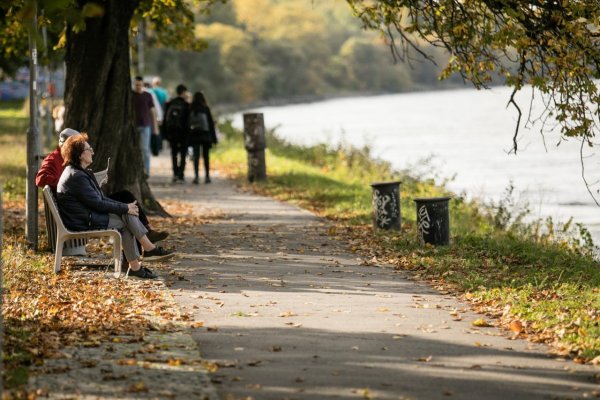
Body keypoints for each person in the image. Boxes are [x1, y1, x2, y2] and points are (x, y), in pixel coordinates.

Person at [56, 134, 173, 279]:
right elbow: (98, 203)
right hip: (82, 221)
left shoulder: (79, 173)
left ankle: (141, 260)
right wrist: (125, 208)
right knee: (126, 220)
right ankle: (145, 253)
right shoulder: (77, 176)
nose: (92, 152)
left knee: (127, 214)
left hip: (86, 216)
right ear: (80, 155)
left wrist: (126, 206)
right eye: (88, 149)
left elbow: (100, 199)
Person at [36, 128, 169, 244]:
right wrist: (70, 184)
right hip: (79, 208)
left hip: (82, 200)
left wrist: (88, 183)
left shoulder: (74, 166)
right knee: (126, 214)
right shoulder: (54, 160)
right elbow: (40, 179)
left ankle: (146, 233)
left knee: (125, 197)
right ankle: (142, 249)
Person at [188, 91, 218, 184]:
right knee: (206, 156)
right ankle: (207, 176)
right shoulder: (205, 108)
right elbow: (211, 124)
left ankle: (196, 176)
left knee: (196, 156)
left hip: (195, 135)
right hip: (205, 135)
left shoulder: (191, 108)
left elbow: (187, 124)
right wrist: (214, 138)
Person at [132, 76, 159, 177]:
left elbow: (152, 111)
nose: (138, 87)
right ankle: (135, 170)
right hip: (133, 127)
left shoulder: (148, 95)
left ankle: (146, 171)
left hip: (145, 126)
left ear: (143, 84)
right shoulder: (131, 95)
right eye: (136, 85)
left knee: (145, 149)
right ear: (134, 84)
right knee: (135, 149)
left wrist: (155, 128)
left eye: (140, 85)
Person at [163, 84, 190, 183]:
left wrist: (165, 134)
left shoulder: (170, 103)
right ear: (183, 92)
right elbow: (189, 120)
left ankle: (175, 174)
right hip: (183, 133)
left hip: (173, 133)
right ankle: (181, 175)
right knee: (183, 154)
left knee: (174, 153)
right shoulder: (186, 104)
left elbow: (165, 119)